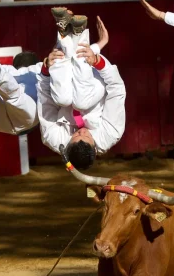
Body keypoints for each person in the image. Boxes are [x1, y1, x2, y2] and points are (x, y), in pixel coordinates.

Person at [37, 14, 125, 170]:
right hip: (94, 84)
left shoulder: (53, 138)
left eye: (77, 135)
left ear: (68, 144)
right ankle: (79, 35)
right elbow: (117, 90)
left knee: (62, 99)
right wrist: (98, 62)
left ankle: (64, 33)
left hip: (63, 82)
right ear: (95, 148)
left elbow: (45, 101)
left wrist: (46, 69)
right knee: (81, 101)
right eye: (87, 136)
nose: (82, 132)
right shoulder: (110, 134)